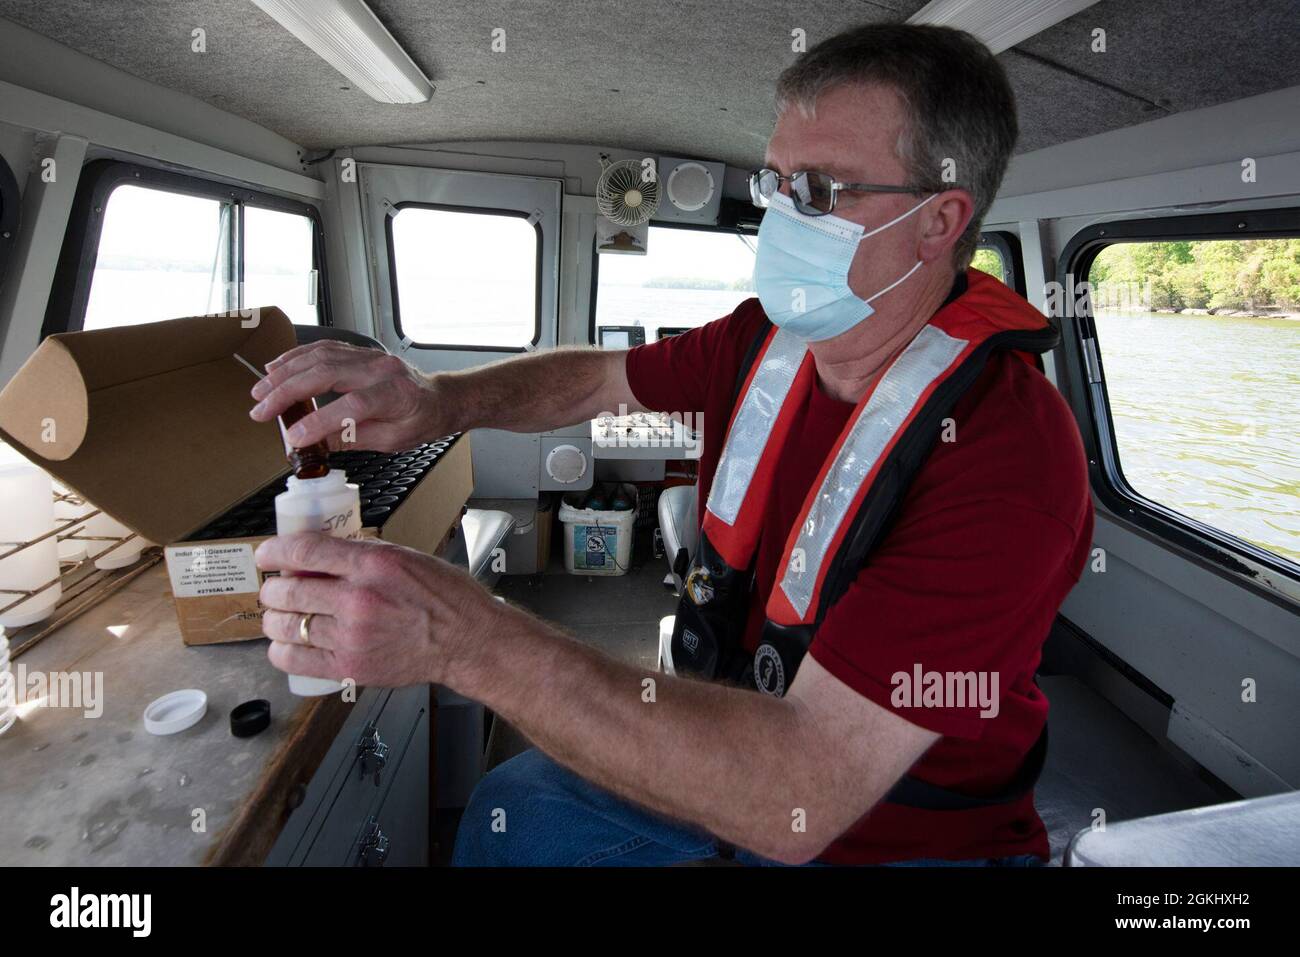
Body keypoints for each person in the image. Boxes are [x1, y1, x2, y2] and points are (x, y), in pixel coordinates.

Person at [247, 23, 1092, 866]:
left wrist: (463, 637)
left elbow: (801, 788)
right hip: (745, 734)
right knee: (512, 811)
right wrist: (438, 401)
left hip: (889, 834)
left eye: (820, 193)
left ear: (939, 220)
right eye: (776, 181)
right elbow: (596, 378)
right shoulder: (765, 337)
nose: (780, 218)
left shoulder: (1009, 451)